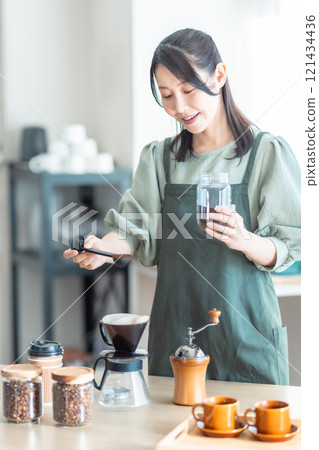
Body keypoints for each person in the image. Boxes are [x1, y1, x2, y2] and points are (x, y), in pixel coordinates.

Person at [64, 28, 300, 385]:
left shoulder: (266, 154)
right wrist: (103, 250)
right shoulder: (160, 158)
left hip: (247, 339)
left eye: (188, 90)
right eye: (167, 95)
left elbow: (289, 246)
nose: (179, 108)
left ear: (219, 76)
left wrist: (244, 239)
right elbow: (134, 230)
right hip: (176, 334)